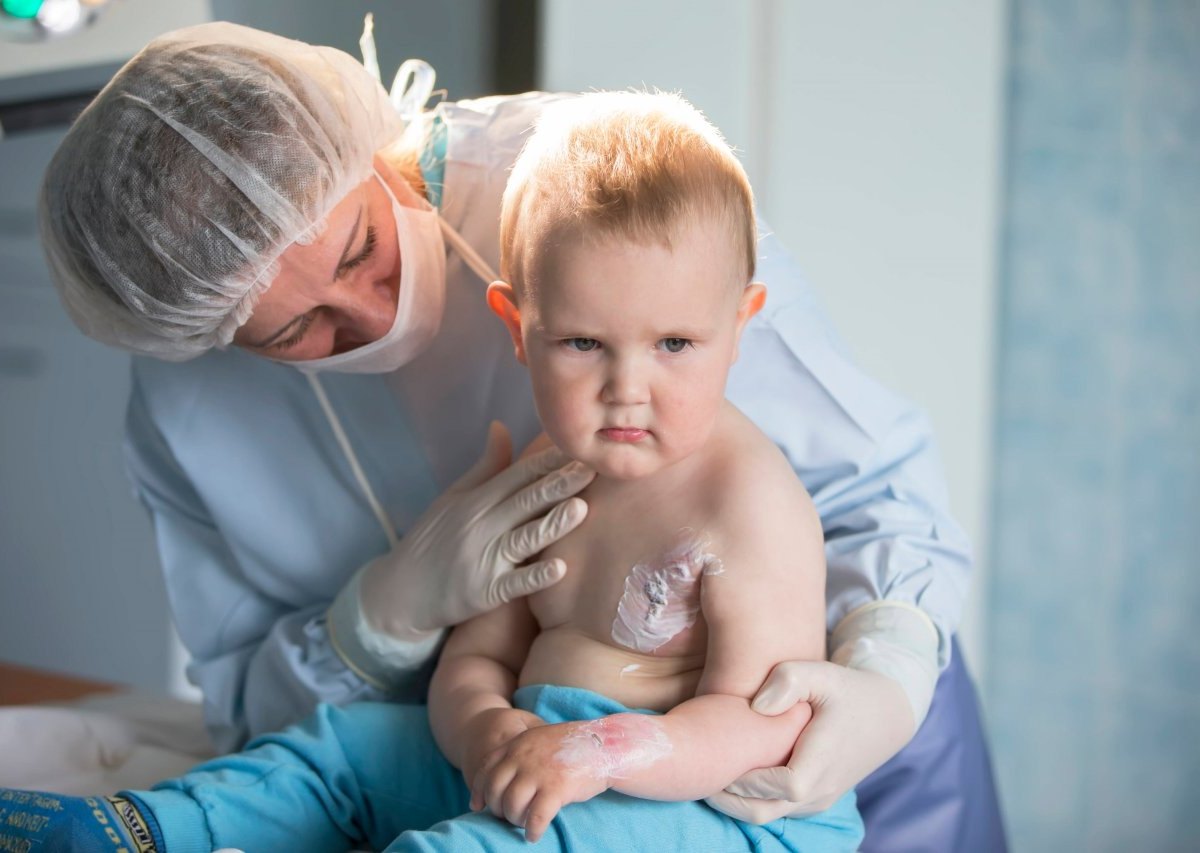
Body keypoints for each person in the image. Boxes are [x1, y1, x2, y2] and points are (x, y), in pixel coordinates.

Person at [36, 20, 1005, 850]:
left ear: (371, 155)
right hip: (489, 763)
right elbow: (252, 707)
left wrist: (885, 680)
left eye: (361, 250)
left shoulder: (601, 206)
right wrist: (384, 624)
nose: (361, 314)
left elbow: (875, 499)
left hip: (786, 756)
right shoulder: (190, 399)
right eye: (294, 329)